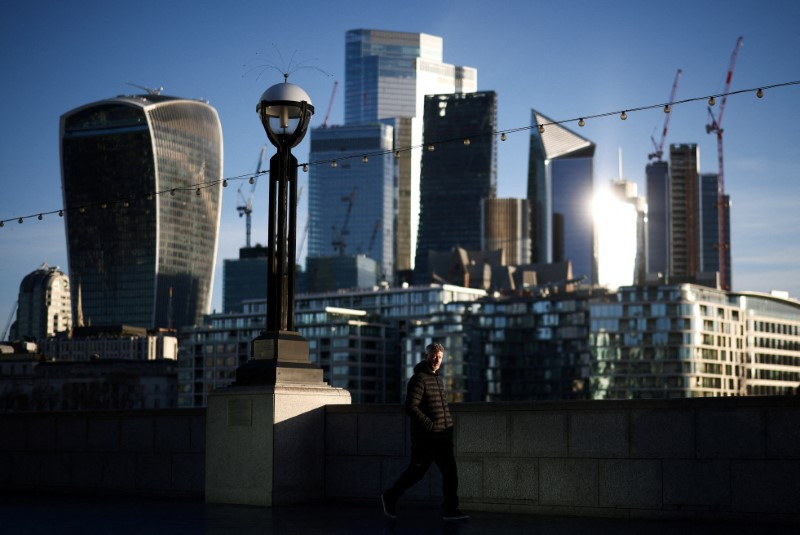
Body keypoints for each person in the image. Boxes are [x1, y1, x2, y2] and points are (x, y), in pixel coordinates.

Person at [381, 342, 469, 521]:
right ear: (427, 356)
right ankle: (390, 496)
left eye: (440, 357)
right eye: (434, 356)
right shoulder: (419, 379)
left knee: (450, 473)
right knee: (417, 472)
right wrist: (430, 425)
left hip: (442, 437)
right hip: (428, 439)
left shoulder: (437, 379)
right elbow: (411, 407)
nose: (437, 359)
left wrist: (446, 426)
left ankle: (450, 509)